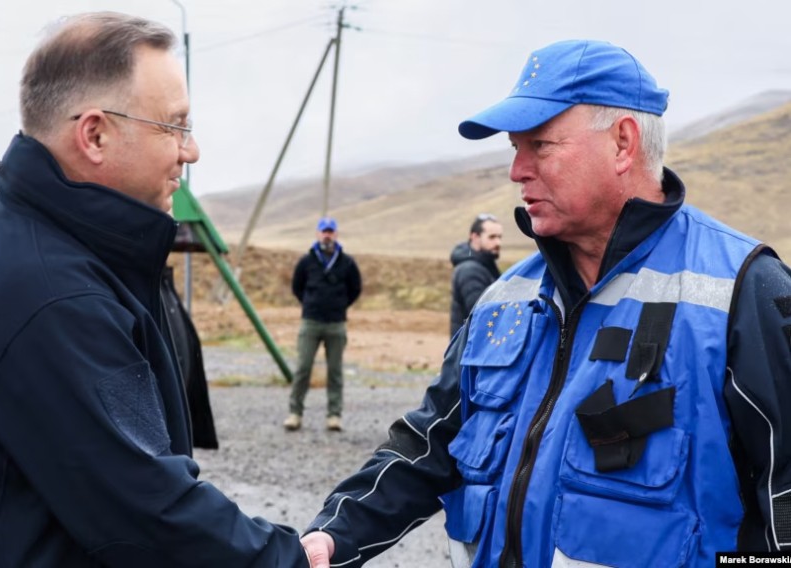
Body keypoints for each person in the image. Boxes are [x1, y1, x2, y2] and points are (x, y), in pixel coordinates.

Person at [300, 39, 791, 568]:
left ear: (623, 143)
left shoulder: (742, 290)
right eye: (515, 148)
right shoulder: (501, 301)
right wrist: (334, 534)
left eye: (541, 145)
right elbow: (428, 445)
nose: (517, 170)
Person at [0, 12, 312, 567]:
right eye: (175, 126)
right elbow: (147, 513)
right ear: (95, 134)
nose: (191, 150)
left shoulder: (52, 248)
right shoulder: (55, 296)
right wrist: (290, 559)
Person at [284, 217, 362, 432]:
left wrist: (339, 306)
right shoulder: (306, 261)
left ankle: (334, 415)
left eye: (330, 231)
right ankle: (295, 413)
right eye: (323, 231)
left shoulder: (346, 262)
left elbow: (355, 289)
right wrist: (310, 304)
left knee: (335, 371)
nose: (327, 235)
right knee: (303, 368)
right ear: (318, 234)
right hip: (311, 322)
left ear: (336, 234)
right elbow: (297, 287)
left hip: (336, 324)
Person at [449, 213, 503, 336]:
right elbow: (483, 316)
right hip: (470, 349)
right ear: (475, 237)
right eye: (492, 237)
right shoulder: (470, 270)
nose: (498, 242)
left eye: (500, 237)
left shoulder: (485, 265)